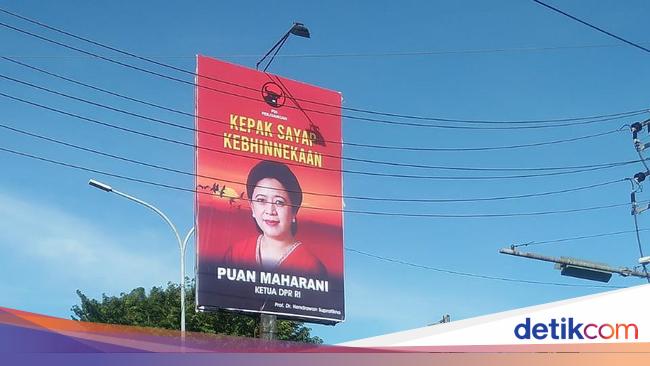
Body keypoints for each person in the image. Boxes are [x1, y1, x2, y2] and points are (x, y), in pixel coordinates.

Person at [224, 160, 327, 276]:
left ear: (294, 210)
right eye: (261, 200)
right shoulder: (236, 254)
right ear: (252, 207)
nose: (270, 211)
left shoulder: (311, 267)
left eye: (279, 202)